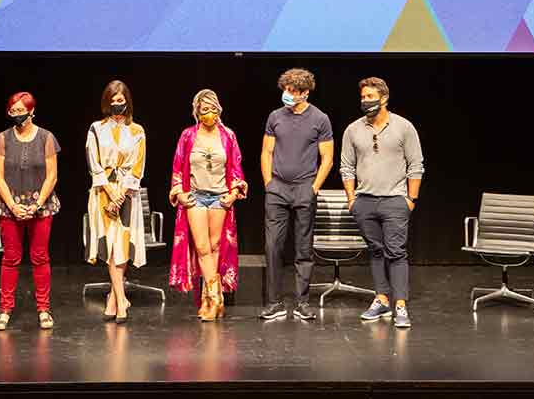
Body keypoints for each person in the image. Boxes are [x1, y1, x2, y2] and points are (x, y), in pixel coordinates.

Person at [340, 77, 424, 328]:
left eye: (370, 96)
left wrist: (411, 199)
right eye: (363, 97)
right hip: (364, 202)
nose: (365, 101)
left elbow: (416, 165)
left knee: (396, 252)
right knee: (376, 252)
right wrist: (352, 199)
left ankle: (400, 304)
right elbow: (347, 167)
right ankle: (381, 299)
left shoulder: (403, 127)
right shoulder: (353, 130)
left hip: (395, 201)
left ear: (384, 98)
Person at [259, 68, 333, 321]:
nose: (287, 95)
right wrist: (269, 183)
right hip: (277, 188)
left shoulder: (320, 119)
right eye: (285, 90)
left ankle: (302, 302)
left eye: (292, 91)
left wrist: (313, 187)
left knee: (303, 248)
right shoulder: (275, 116)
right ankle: (274, 302)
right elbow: (267, 152)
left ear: (305, 93)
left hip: (304, 188)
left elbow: (328, 158)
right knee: (272, 246)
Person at [168, 89, 248, 320]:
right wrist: (179, 193)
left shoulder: (228, 136)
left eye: (213, 109)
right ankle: (217, 296)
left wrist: (233, 194)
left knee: (214, 248)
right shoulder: (188, 135)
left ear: (219, 110)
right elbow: (177, 166)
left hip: (219, 197)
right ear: (197, 112)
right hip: (195, 197)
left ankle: (208, 301)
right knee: (202, 248)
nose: (209, 114)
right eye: (204, 110)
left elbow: (236, 168)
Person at [0, 92, 61, 331]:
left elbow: (52, 175)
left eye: (21, 110)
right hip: (10, 207)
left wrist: (37, 204)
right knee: (11, 258)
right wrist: (12, 205)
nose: (17, 114)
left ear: (32, 110)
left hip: (40, 207)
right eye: (13, 111)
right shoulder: (2, 139)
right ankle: (5, 309)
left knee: (40, 257)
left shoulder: (46, 137)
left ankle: (43, 309)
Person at [85, 80, 147, 323]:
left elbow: (139, 165)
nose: (116, 105)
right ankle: (121, 301)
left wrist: (121, 195)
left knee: (120, 247)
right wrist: (110, 193)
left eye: (120, 101)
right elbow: (93, 162)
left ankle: (115, 298)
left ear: (127, 102)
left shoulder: (138, 130)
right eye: (112, 101)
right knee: (111, 248)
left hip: (128, 194)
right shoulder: (96, 128)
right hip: (102, 193)